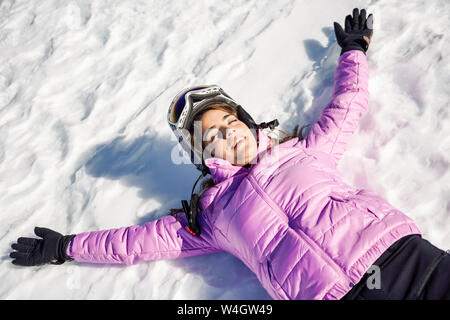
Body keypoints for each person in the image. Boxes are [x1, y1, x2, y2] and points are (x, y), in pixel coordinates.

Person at [9, 8, 450, 300]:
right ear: (203, 156)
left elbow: (347, 106)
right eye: (213, 135)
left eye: (230, 121)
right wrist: (66, 247)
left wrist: (354, 51)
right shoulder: (212, 217)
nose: (229, 134)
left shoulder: (305, 151)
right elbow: (137, 243)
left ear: (246, 119)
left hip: (399, 256)